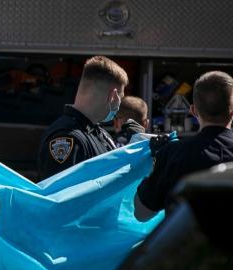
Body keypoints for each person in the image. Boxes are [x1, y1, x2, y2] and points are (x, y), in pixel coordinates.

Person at [134, 71, 233, 221]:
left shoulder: (174, 154)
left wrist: (155, 165)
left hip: (187, 244)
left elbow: (142, 213)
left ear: (193, 111)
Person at [36, 56, 128, 179]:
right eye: (120, 98)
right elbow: (61, 195)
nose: (119, 105)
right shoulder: (67, 138)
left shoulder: (99, 134)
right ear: (113, 96)